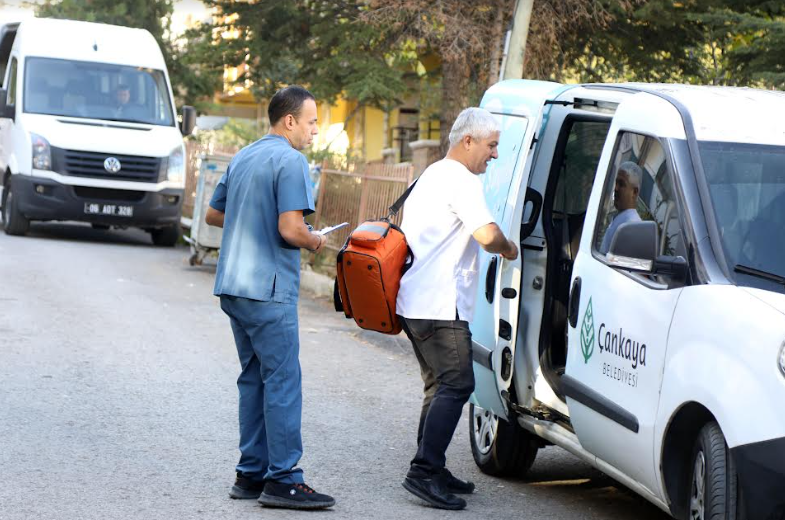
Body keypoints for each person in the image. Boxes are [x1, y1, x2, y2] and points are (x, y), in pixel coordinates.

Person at [204, 85, 335, 510]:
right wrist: (315, 241)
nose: (316, 131)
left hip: (233, 286)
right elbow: (291, 230)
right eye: (312, 122)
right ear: (290, 121)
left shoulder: (243, 155)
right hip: (267, 288)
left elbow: (213, 213)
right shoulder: (291, 160)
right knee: (282, 381)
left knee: (253, 379)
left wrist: (251, 213)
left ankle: (249, 474)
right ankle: (284, 479)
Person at [395, 107, 519, 511]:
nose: (494, 154)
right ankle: (424, 471)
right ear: (468, 141)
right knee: (458, 384)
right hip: (440, 305)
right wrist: (509, 248)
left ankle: (432, 466)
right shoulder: (461, 180)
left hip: (416, 302)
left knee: (438, 386)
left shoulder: (431, 174)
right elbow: (486, 234)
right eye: (492, 145)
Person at [599, 161, 643, 254]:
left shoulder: (631, 227)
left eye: (622, 184)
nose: (616, 188)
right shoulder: (621, 220)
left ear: (634, 192)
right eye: (616, 183)